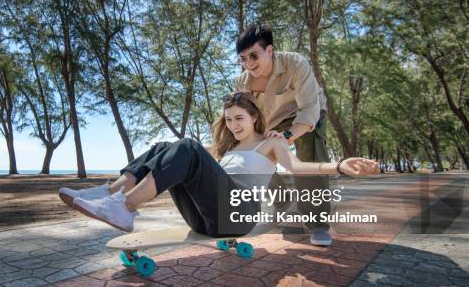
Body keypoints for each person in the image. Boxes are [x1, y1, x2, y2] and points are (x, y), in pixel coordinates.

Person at [58, 92, 378, 238]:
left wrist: (337, 166)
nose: (235, 124)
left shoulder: (271, 142)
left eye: (240, 118)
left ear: (254, 116)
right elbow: (179, 159)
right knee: (164, 146)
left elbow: (295, 167)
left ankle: (125, 206)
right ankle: (109, 192)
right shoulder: (227, 148)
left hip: (239, 215)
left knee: (185, 145)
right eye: (229, 120)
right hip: (205, 221)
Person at [235, 22, 333, 246]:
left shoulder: (295, 63)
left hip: (308, 111)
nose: (248, 64)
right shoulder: (242, 83)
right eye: (242, 58)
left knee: (309, 155)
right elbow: (244, 121)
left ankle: (317, 223)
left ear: (269, 50)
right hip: (272, 120)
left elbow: (309, 109)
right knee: (251, 153)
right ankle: (280, 198)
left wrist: (286, 137)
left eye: (253, 56)